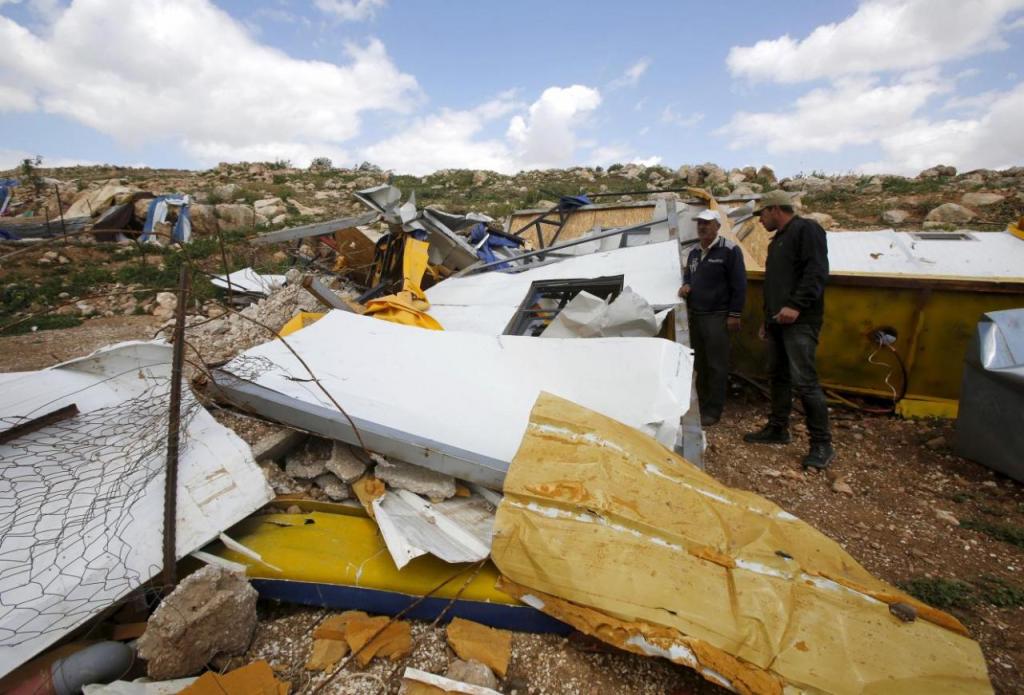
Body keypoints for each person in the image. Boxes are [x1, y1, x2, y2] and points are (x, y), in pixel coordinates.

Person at [743, 190, 834, 469]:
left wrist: (795, 305)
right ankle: (778, 428)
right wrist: (766, 320)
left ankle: (822, 445)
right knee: (778, 376)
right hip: (778, 322)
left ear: (775, 209)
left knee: (805, 382)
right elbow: (775, 285)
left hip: (800, 322)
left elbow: (816, 272)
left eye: (762, 214)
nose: (760, 221)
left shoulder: (807, 230)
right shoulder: (778, 241)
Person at [678, 209, 746, 427]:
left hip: (718, 315)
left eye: (707, 223)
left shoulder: (729, 250)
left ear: (717, 226)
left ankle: (713, 410)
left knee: (717, 364)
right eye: (699, 223)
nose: (702, 227)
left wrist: (735, 314)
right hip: (697, 315)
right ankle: (701, 405)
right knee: (701, 363)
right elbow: (688, 276)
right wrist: (686, 285)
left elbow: (739, 284)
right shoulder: (694, 253)